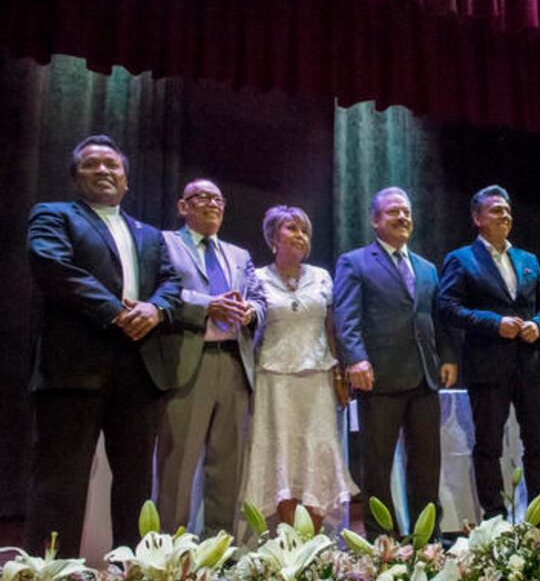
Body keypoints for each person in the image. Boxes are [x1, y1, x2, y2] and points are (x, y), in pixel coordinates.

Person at [25, 134, 181, 556]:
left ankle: (131, 578)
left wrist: (155, 310)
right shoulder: (54, 216)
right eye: (92, 164)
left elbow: (172, 282)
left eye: (112, 165)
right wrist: (117, 311)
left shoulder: (148, 234)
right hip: (74, 367)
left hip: (140, 368)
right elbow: (54, 267)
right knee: (60, 480)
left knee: (135, 485)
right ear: (75, 176)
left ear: (126, 180)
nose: (104, 171)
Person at [334, 187, 457, 538]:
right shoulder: (355, 261)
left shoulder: (427, 268)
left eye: (406, 212)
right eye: (393, 212)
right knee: (377, 465)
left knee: (426, 465)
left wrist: (447, 356)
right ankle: (381, 539)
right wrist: (355, 359)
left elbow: (438, 317)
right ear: (375, 220)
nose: (402, 217)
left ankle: (426, 537)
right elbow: (346, 317)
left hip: (424, 378)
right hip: (379, 378)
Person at [438, 185, 540, 523]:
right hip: (487, 367)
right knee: (489, 445)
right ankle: (495, 516)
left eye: (507, 210)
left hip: (530, 366)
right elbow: (446, 307)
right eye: (495, 210)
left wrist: (539, 324)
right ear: (478, 218)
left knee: (538, 443)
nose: (504, 215)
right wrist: (494, 323)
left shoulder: (528, 260)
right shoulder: (461, 259)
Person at [156, 179, 266, 536]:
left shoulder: (239, 255)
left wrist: (251, 311)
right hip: (190, 362)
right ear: (182, 206)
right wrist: (208, 305)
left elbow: (261, 300)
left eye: (218, 198)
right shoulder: (164, 243)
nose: (212, 204)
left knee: (227, 466)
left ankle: (220, 554)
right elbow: (161, 293)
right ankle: (170, 557)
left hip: (234, 363)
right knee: (179, 465)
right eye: (202, 197)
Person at [242, 206, 357, 532]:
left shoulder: (322, 276)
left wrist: (339, 375)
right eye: (291, 228)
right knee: (284, 458)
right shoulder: (257, 278)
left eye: (304, 230)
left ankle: (314, 544)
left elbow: (331, 330)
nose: (300, 235)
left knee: (316, 456)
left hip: (317, 379)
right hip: (274, 380)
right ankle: (289, 543)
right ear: (271, 237)